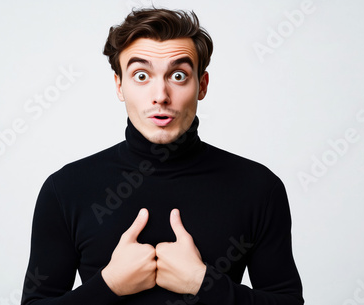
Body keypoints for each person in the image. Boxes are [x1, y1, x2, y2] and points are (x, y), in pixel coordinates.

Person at [21, 8, 304, 305]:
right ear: (119, 85)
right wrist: (109, 285)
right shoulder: (66, 189)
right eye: (141, 75)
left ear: (202, 85)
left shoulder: (258, 187)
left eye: (178, 75)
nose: (161, 95)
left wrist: (202, 283)